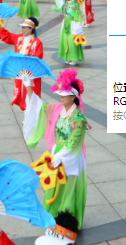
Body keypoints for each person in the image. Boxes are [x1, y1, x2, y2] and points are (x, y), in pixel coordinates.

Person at [22, 68, 89, 227]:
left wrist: (60, 157)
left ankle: (67, 222)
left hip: (70, 157)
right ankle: (52, 216)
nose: (61, 96)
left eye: (64, 94)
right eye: (60, 93)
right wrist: (28, 86)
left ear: (73, 97)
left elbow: (74, 142)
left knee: (67, 188)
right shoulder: (57, 109)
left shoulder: (79, 118)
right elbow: (39, 107)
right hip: (57, 152)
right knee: (54, 186)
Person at [0, 18, 44, 109]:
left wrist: (27, 64)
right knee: (21, 93)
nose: (22, 29)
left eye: (24, 27)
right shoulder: (19, 38)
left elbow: (38, 58)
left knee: (31, 95)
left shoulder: (37, 42)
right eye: (22, 27)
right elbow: (8, 36)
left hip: (31, 73)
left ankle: (31, 112)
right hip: (20, 72)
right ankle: (25, 111)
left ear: (31, 29)